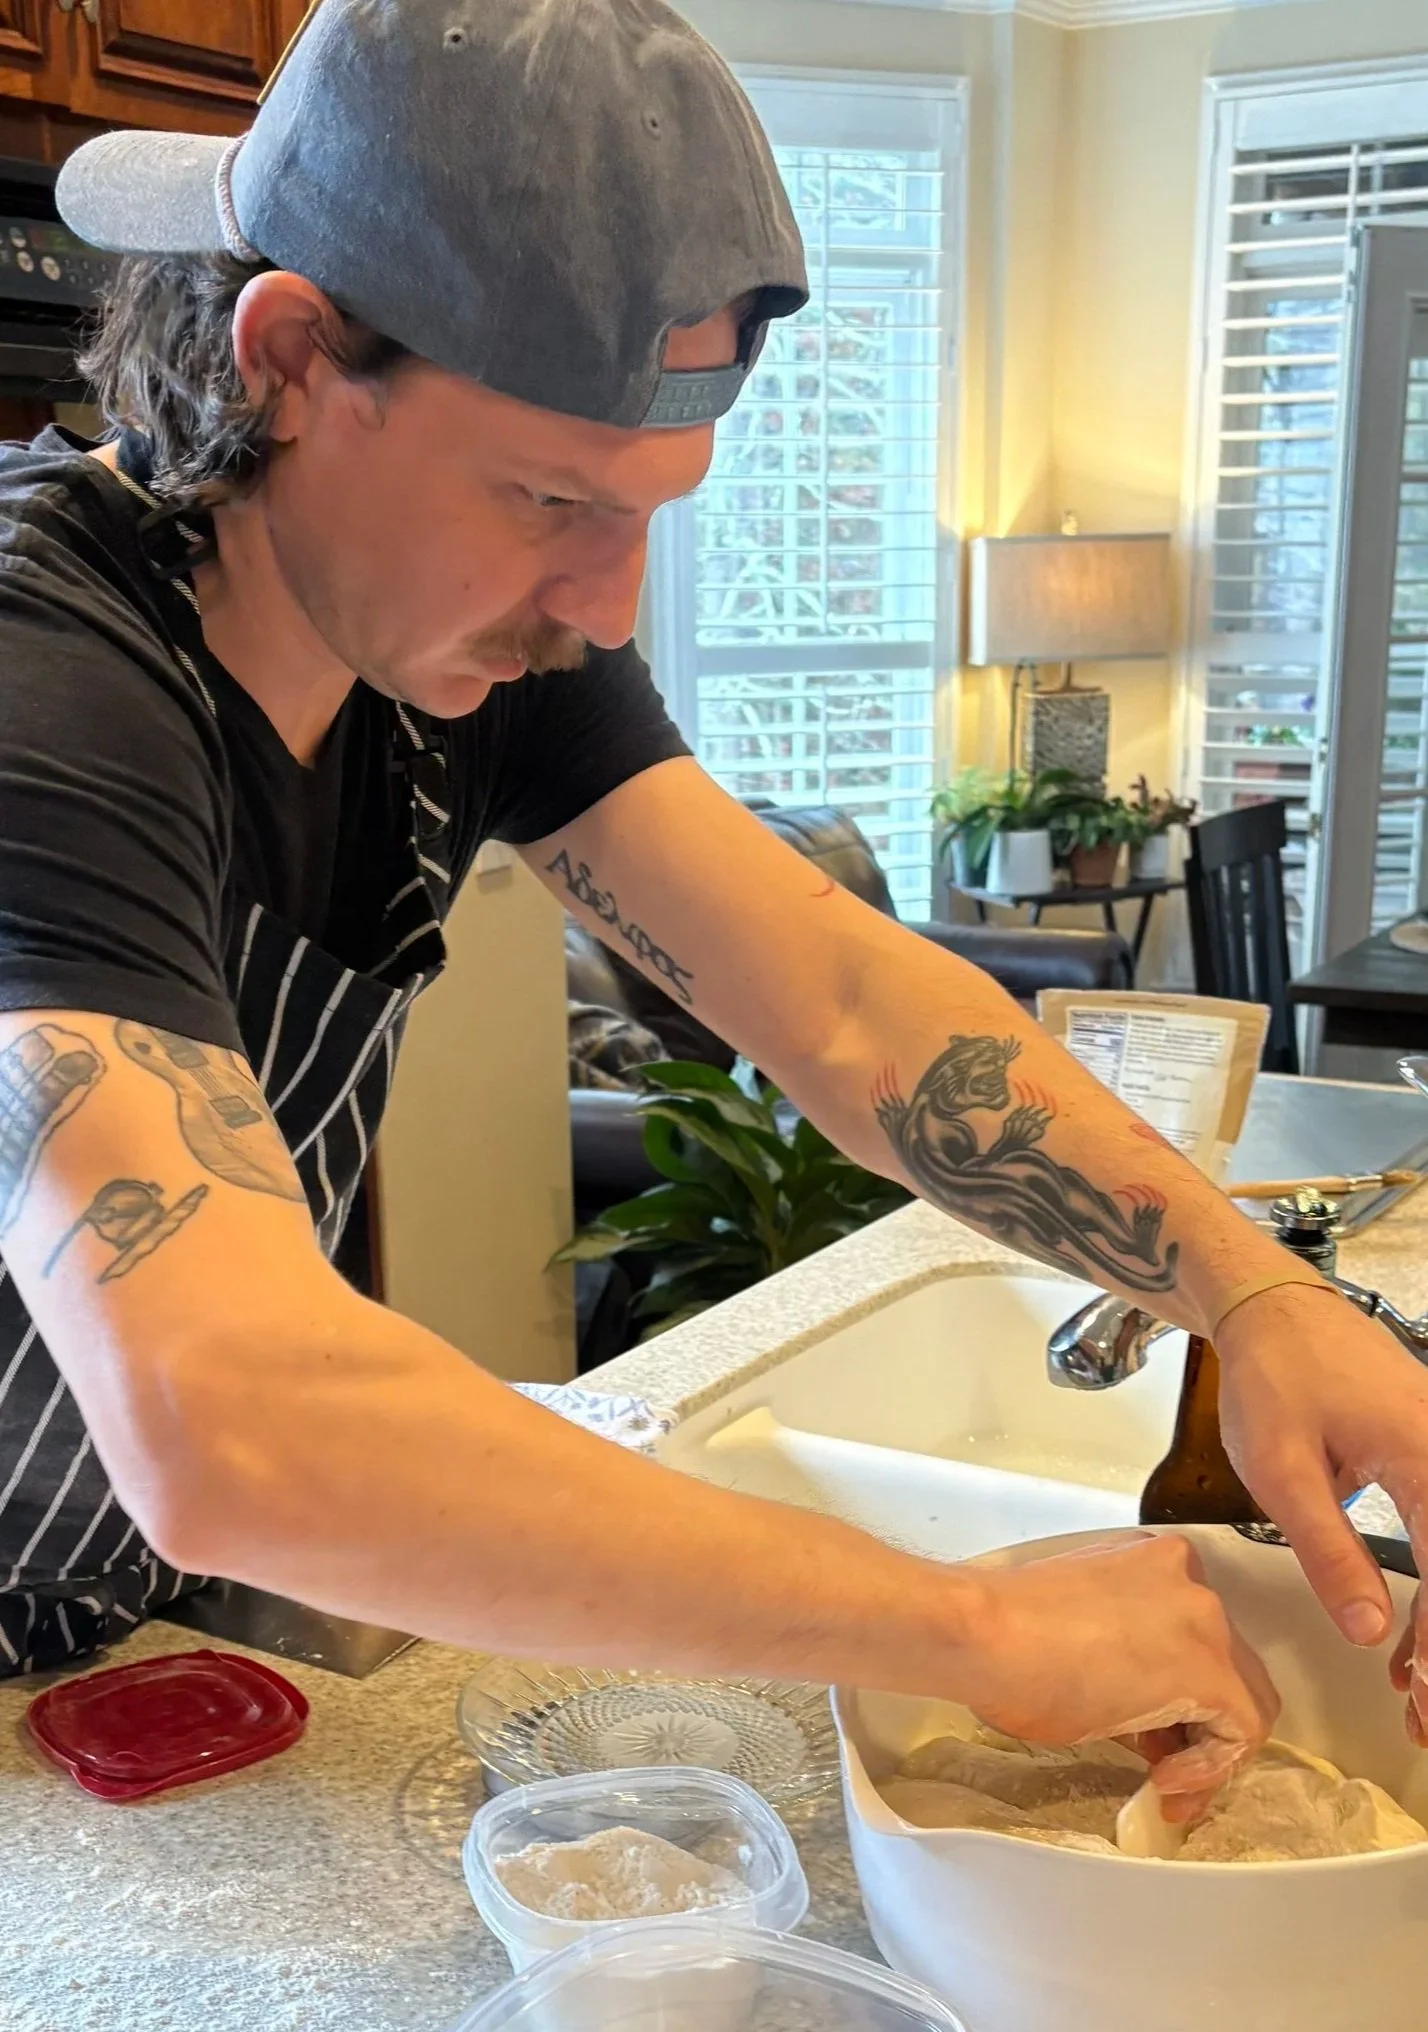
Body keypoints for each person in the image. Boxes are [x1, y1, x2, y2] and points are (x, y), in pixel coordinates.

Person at [0, 0, 1420, 1814]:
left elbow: (840, 1002)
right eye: (546, 499)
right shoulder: (50, 687)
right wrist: (967, 1631)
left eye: (653, 510)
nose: (605, 604)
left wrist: (1255, 1297)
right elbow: (234, 1426)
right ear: (287, 359)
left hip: (99, 1630)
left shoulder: (466, 664)